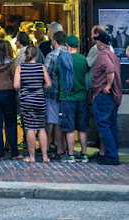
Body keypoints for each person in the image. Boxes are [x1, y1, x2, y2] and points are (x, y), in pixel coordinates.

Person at [53, 35, 89, 163]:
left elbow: (55, 71)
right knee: (82, 128)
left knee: (69, 128)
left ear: (67, 45)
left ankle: (71, 154)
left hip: (67, 97)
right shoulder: (83, 59)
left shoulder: (62, 58)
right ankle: (84, 154)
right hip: (82, 96)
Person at [14, 45, 51, 163]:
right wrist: (41, 87)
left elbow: (16, 85)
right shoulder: (42, 67)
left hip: (26, 100)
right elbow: (49, 84)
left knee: (29, 127)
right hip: (40, 99)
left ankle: (32, 157)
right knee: (41, 127)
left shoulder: (20, 68)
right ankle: (45, 157)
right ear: (36, 55)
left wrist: (23, 86)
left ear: (25, 55)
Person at [92, 32, 122, 166]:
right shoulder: (113, 55)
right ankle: (114, 153)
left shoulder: (103, 55)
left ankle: (111, 155)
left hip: (104, 95)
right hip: (114, 96)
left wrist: (107, 86)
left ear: (99, 43)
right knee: (112, 125)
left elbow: (110, 69)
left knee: (103, 125)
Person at [44, 30, 67, 157]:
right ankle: (62, 147)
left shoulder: (52, 56)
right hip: (67, 93)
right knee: (63, 119)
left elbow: (45, 73)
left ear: (54, 41)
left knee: (52, 120)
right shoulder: (70, 54)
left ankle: (48, 147)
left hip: (52, 92)